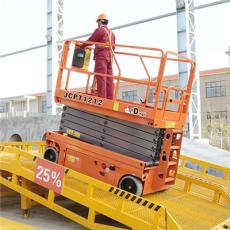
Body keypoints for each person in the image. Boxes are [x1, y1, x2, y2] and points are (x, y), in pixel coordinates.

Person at [81, 13, 116, 99]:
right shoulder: (112, 34)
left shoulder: (99, 30)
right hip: (110, 58)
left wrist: (81, 45)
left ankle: (102, 99)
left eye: (98, 22)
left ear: (100, 22)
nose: (97, 24)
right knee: (109, 79)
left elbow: (90, 41)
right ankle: (110, 99)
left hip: (101, 57)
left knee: (101, 77)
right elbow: (114, 47)